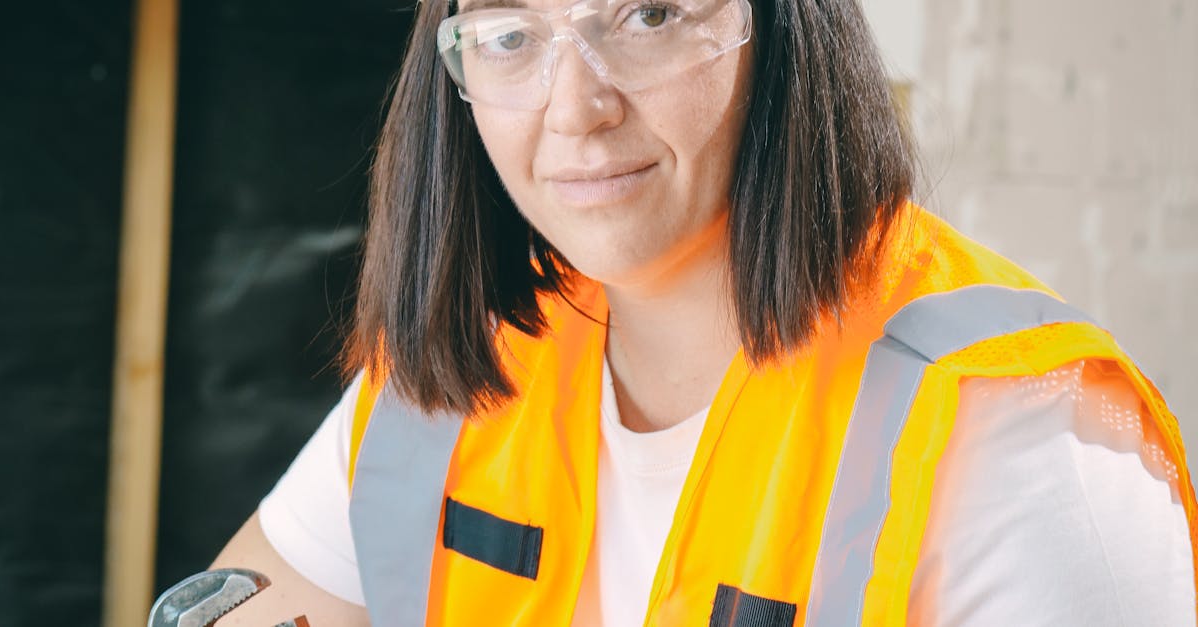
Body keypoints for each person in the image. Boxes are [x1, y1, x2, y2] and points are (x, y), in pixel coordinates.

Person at [205, 0, 1198, 624]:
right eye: (512, 36)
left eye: (648, 17)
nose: (575, 107)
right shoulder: (477, 362)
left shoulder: (1025, 435)